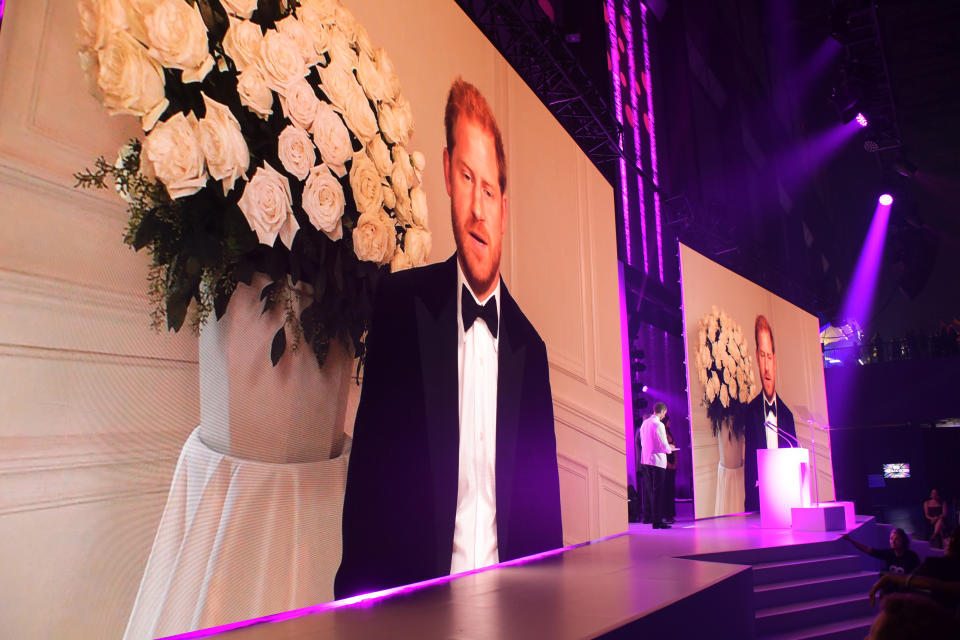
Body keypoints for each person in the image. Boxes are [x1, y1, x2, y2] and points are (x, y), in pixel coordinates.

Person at [334, 79, 562, 599]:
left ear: (505, 206)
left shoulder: (533, 350)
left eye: (489, 190)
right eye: (466, 178)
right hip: (415, 619)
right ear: (446, 174)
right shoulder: (399, 307)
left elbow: (545, 531)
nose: (478, 209)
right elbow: (367, 493)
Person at [742, 315, 797, 512]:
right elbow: (749, 460)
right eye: (762, 356)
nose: (766, 367)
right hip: (759, 497)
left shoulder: (787, 415)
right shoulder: (751, 411)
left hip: (786, 494)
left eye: (769, 357)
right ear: (756, 357)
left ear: (775, 359)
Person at [639, 403, 674, 529]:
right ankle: (657, 521)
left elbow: (643, 442)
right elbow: (663, 443)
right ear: (662, 411)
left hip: (647, 460)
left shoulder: (644, 423)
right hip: (657, 461)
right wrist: (670, 449)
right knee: (658, 492)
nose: (665, 415)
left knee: (652, 492)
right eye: (665, 413)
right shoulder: (658, 424)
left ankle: (655, 520)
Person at [842, 528, 921, 575]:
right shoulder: (888, 553)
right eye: (891, 538)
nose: (893, 542)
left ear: (903, 541)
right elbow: (867, 549)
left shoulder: (912, 556)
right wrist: (850, 540)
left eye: (896, 539)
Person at [664, 415, 677, 523]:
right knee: (666, 490)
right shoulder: (661, 434)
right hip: (665, 464)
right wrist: (668, 464)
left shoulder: (670, 433)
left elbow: (674, 447)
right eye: (668, 421)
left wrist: (675, 462)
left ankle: (671, 514)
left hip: (672, 462)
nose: (670, 423)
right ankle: (667, 515)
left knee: (671, 490)